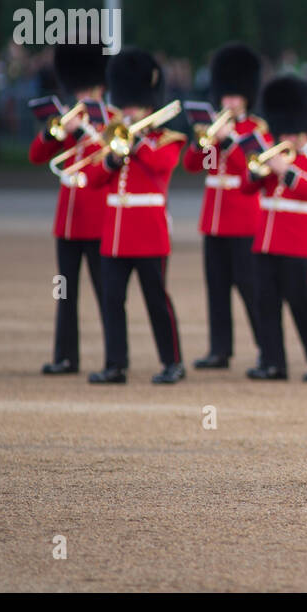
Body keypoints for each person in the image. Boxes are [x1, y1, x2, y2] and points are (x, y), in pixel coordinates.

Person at [82, 50, 187, 385]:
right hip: (115, 231)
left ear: (148, 105)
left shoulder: (168, 140)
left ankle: (172, 362)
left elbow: (161, 166)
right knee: (112, 300)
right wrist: (112, 160)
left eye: (135, 106)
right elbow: (93, 179)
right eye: (126, 105)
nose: (128, 112)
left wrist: (136, 142)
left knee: (156, 299)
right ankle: (116, 364)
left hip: (149, 231)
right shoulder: (113, 139)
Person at [242, 75, 307, 381]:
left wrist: (287, 171)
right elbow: (245, 188)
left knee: (300, 302)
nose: (287, 136)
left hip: (299, 243)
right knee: (265, 303)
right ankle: (272, 362)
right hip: (266, 242)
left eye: (293, 131)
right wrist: (261, 171)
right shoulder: (273, 157)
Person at [183, 43, 266, 371]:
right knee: (216, 289)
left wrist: (230, 142)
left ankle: (265, 347)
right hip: (213, 221)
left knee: (250, 289)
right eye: (226, 96)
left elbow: (248, 169)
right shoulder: (213, 130)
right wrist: (203, 142)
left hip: (243, 218)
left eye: (235, 97)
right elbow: (195, 166)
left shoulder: (255, 130)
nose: (229, 102)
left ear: (246, 97)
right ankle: (220, 350)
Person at [28, 44, 108, 375]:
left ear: (101, 88)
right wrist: (52, 131)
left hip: (99, 222)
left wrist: (85, 133)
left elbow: (109, 159)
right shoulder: (67, 120)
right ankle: (65, 356)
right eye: (78, 89)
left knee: (107, 296)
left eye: (87, 89)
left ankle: (114, 357)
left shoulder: (109, 121)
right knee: (64, 291)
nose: (82, 95)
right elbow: (36, 155)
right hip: (68, 223)